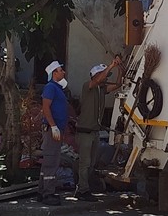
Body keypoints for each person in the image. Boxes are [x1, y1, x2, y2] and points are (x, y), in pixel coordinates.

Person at [74, 55, 123, 201]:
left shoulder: (102, 90)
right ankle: (82, 189)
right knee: (85, 162)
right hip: (85, 132)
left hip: (94, 132)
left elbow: (118, 84)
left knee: (91, 163)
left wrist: (119, 69)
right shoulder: (87, 86)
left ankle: (83, 187)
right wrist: (111, 65)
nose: (107, 77)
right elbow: (97, 81)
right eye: (104, 74)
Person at [39, 61, 70, 206]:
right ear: (54, 73)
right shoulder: (50, 88)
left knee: (49, 162)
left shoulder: (57, 88)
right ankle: (48, 194)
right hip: (53, 130)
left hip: (56, 129)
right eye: (60, 70)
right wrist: (53, 126)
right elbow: (46, 108)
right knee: (51, 162)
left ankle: (43, 191)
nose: (63, 72)